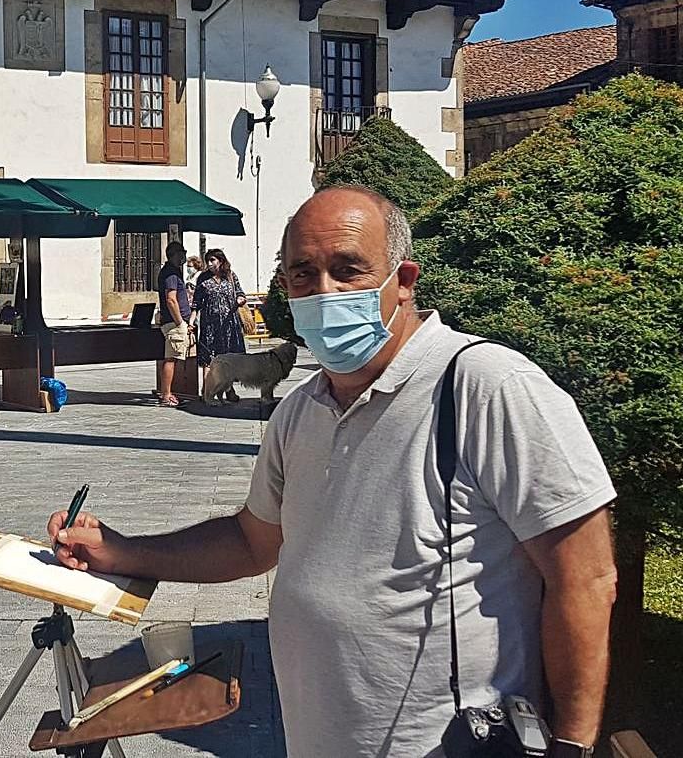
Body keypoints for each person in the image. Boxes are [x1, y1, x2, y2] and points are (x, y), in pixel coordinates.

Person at [48, 187, 617, 758]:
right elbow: (252, 541)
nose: (324, 292)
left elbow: (585, 577)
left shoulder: (485, 386)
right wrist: (122, 551)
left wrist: (573, 744)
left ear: (404, 280)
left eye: (349, 270)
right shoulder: (301, 410)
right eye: (303, 274)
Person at [190, 248, 246, 401]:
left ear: (220, 261)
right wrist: (191, 322)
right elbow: (196, 303)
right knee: (208, 358)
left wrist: (240, 299)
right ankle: (206, 391)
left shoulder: (230, 276)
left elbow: (240, 292)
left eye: (212, 260)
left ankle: (229, 390)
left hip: (229, 325)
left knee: (228, 358)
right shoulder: (203, 278)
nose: (209, 263)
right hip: (210, 325)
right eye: (207, 260)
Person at [156, 241, 192, 408]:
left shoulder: (173, 271)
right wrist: (180, 322)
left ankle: (169, 393)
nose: (184, 255)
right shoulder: (170, 273)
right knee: (171, 358)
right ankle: (166, 395)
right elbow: (171, 299)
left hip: (176, 321)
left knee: (174, 358)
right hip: (174, 323)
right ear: (175, 254)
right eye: (182, 252)